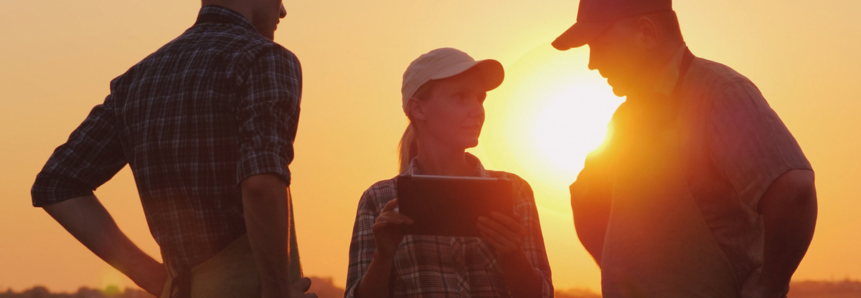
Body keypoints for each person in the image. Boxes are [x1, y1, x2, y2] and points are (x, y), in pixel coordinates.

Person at [30, 1, 315, 297]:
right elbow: (260, 184)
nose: (282, 11)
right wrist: (277, 291)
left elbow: (57, 184)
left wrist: (154, 278)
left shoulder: (136, 80)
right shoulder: (263, 58)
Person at [552, 0, 817, 297]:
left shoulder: (720, 94)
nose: (592, 62)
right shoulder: (626, 118)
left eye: (598, 43)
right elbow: (586, 199)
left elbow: (794, 191)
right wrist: (621, 275)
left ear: (646, 33)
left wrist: (769, 286)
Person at [343, 48, 554, 298]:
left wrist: (512, 254)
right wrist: (383, 256)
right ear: (418, 109)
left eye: (480, 98)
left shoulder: (514, 191)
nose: (478, 110)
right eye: (461, 96)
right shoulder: (378, 199)